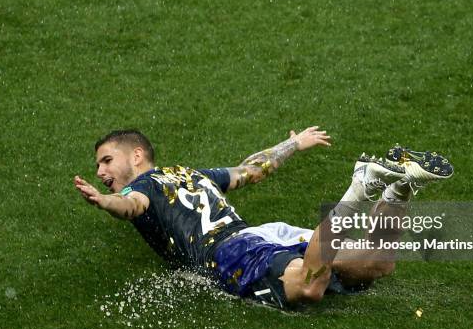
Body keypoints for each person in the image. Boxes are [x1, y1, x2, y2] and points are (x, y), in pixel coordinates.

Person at [74, 127, 453, 309]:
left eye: (106, 160)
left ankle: (361, 186)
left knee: (309, 286)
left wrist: (106, 202)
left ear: (137, 155)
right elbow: (251, 170)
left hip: (230, 253)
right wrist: (293, 143)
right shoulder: (192, 173)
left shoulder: (141, 189)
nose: (101, 171)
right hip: (266, 235)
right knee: (378, 263)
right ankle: (401, 188)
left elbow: (131, 207)